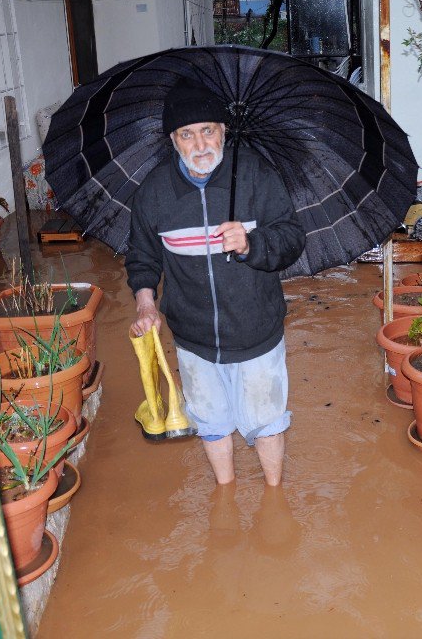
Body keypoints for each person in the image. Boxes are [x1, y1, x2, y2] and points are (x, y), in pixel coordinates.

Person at [125, 78, 306, 486]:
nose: (199, 143)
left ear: (224, 131)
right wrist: (146, 304)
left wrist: (251, 243)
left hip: (257, 329)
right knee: (210, 420)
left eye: (208, 130)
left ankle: (274, 498)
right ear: (173, 140)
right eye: (187, 134)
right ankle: (225, 497)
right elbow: (142, 256)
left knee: (267, 420)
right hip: (192, 336)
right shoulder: (154, 193)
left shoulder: (256, 175)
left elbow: (292, 238)